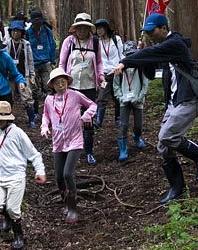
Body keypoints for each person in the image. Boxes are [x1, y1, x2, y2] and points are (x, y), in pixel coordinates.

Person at [111, 13, 198, 203]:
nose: (149, 35)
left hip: (188, 98)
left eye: (152, 31)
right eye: (147, 32)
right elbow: (150, 73)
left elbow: (153, 53)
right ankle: (177, 188)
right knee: (163, 146)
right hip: (174, 102)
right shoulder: (163, 49)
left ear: (164, 28)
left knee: (167, 136)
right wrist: (140, 57)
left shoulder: (175, 43)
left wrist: (126, 61)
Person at [0, 101, 46, 250]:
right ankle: (7, 217)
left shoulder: (17, 133)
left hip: (16, 176)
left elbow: (34, 154)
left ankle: (18, 235)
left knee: (13, 209)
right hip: (0, 176)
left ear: (7, 119)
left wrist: (40, 171)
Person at [41, 68, 97, 223]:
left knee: (67, 173)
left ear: (67, 82)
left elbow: (92, 105)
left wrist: (86, 116)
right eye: (57, 83)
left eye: (63, 81)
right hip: (58, 142)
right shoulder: (49, 100)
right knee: (58, 176)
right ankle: (66, 202)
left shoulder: (75, 95)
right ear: (52, 85)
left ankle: (73, 208)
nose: (61, 85)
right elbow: (46, 115)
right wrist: (44, 127)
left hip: (75, 140)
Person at [59, 13, 104, 165]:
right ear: (75, 28)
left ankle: (89, 151)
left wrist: (101, 76)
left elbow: (99, 62)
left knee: (88, 120)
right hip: (71, 87)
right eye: (79, 28)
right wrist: (61, 80)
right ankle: (70, 150)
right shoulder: (69, 42)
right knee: (70, 119)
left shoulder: (95, 42)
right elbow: (62, 63)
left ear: (89, 29)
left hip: (89, 87)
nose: (82, 31)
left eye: (85, 28)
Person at [113, 41, 149, 161]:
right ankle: (123, 149)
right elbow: (116, 85)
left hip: (137, 100)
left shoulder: (140, 67)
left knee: (138, 125)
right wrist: (120, 97)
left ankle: (137, 136)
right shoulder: (119, 68)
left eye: (132, 54)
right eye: (128, 55)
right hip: (124, 101)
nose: (130, 57)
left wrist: (140, 97)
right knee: (124, 125)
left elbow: (145, 83)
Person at [5, 19, 38, 128]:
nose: (15, 33)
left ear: (22, 32)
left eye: (18, 31)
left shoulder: (26, 44)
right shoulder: (6, 44)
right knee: (9, 97)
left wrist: (32, 75)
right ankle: (8, 119)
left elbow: (30, 60)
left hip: (23, 75)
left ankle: (31, 119)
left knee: (27, 96)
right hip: (10, 76)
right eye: (13, 31)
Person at [94, 18, 124, 128]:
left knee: (117, 97)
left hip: (116, 73)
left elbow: (122, 54)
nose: (98, 31)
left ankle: (118, 119)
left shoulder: (116, 39)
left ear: (106, 28)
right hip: (105, 74)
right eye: (97, 29)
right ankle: (98, 121)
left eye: (100, 28)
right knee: (102, 97)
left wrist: (122, 67)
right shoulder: (97, 42)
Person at [25, 9, 57, 116]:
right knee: (34, 89)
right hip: (33, 64)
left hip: (46, 63)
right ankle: (35, 112)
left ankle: (51, 111)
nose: (38, 24)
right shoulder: (27, 33)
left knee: (49, 87)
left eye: (39, 22)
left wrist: (52, 61)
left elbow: (52, 45)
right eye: (36, 22)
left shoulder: (47, 31)